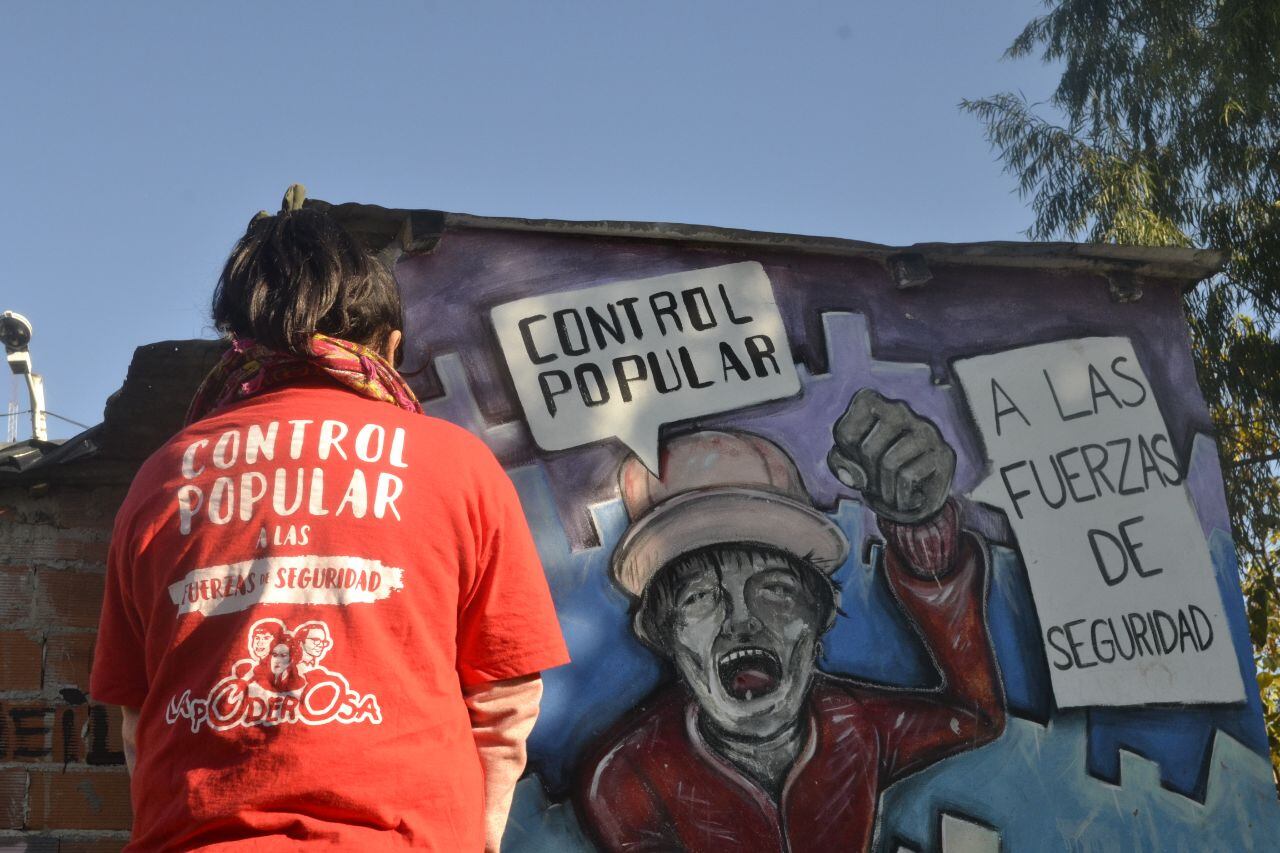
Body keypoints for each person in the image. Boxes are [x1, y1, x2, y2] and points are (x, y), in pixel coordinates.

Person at [91, 186, 569, 851]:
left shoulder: (161, 477)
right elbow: (504, 699)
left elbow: (138, 718)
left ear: (239, 344)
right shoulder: (459, 466)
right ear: (390, 346)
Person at [576, 392, 1006, 853]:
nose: (741, 621)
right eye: (699, 597)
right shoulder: (629, 778)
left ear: (819, 617)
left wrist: (924, 532)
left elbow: (975, 716)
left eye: (775, 590)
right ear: (666, 638)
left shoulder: (856, 726)